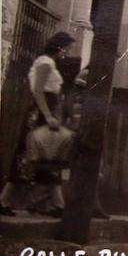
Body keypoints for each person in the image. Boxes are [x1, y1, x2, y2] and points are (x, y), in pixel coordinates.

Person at [0, 32, 76, 217]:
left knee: (47, 155)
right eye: (67, 48)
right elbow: (38, 91)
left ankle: (56, 204)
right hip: (40, 113)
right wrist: (48, 115)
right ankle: (4, 200)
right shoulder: (45, 63)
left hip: (45, 111)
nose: (67, 52)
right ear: (59, 46)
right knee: (27, 156)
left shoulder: (49, 62)